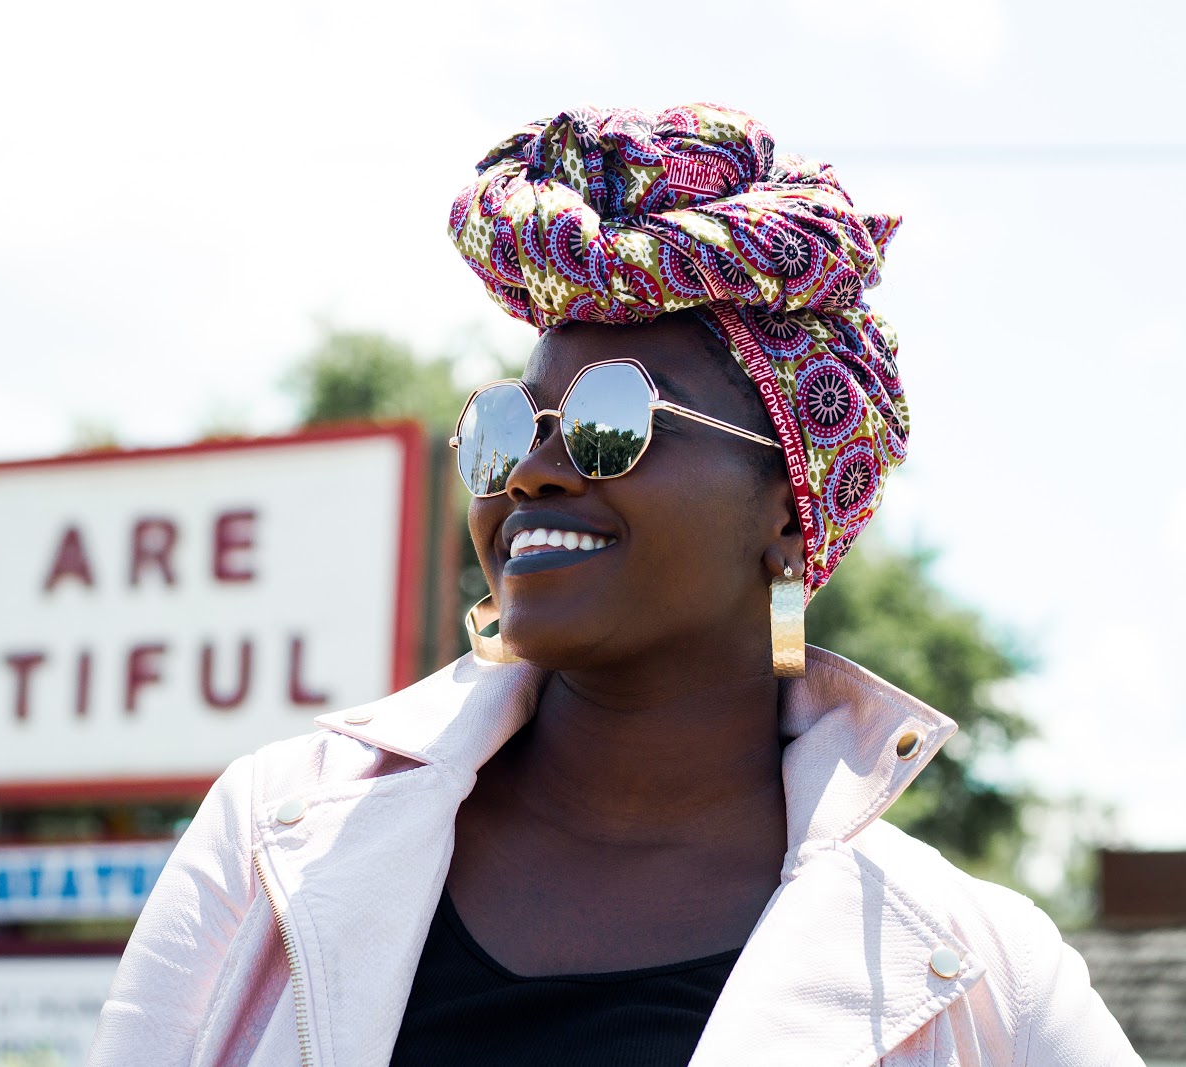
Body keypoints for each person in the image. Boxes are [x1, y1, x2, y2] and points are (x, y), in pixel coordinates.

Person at [86, 104, 1140, 1066]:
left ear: (785, 506)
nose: (535, 468)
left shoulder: (979, 971)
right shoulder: (277, 831)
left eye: (612, 421)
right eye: (507, 426)